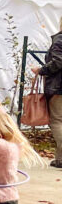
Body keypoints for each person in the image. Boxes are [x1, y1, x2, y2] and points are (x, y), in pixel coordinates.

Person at [31, 17, 62, 168]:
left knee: (56, 121)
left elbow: (57, 62)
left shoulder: (60, 40)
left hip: (59, 88)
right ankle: (60, 159)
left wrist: (41, 70)